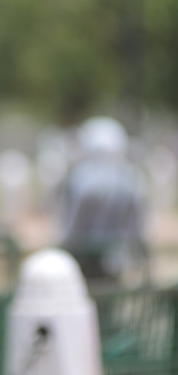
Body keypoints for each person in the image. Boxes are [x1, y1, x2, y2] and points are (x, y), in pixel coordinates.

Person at [58, 116, 150, 287]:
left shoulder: (79, 178)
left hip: (82, 258)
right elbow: (135, 228)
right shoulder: (132, 179)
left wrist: (64, 250)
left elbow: (70, 226)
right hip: (114, 259)